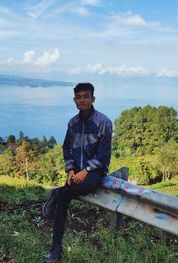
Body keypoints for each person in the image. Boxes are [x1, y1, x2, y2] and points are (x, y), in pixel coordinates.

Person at [43, 82, 113, 261]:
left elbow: (104, 154)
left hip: (95, 170)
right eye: (79, 97)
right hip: (76, 170)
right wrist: (70, 170)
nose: (82, 100)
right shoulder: (72, 123)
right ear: (74, 100)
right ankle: (56, 249)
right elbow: (67, 148)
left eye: (86, 97)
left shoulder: (104, 122)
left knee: (86, 185)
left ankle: (56, 193)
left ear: (93, 99)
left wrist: (87, 169)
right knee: (63, 203)